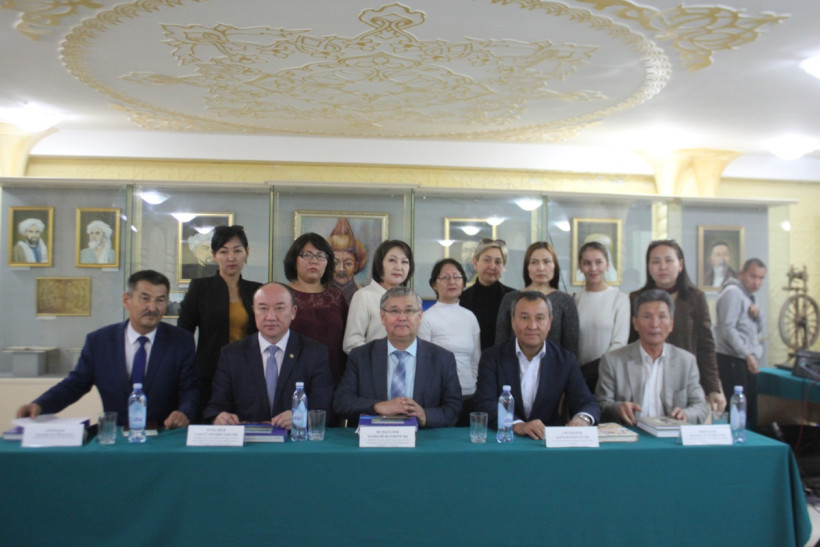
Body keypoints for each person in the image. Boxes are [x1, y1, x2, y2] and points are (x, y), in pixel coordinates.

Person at [16, 270, 200, 427]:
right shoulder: (100, 342)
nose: (152, 307)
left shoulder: (180, 341)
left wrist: (184, 412)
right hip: (115, 436)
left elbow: (190, 388)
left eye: (160, 300)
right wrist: (40, 405)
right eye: (145, 298)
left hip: (164, 435)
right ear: (126, 300)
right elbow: (75, 384)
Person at [204, 283, 334, 427]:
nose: (271, 317)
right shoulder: (232, 355)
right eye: (263, 308)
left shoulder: (314, 353)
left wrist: (301, 419)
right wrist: (219, 418)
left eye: (279, 308)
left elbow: (323, 410)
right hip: (248, 439)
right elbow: (216, 407)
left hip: (294, 438)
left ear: (293, 312)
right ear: (254, 311)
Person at [475, 291, 599, 439]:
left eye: (540, 318)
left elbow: (587, 402)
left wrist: (582, 419)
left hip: (546, 441)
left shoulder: (565, 360)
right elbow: (484, 402)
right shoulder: (492, 357)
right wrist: (518, 425)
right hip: (505, 439)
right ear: (512, 321)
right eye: (524, 318)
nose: (532, 326)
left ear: (550, 323)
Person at [334, 286, 462, 428]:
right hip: (374, 437)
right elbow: (341, 403)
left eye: (409, 311)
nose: (402, 318)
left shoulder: (442, 359)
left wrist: (424, 415)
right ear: (382, 317)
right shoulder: (361, 356)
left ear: (420, 316)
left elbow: (453, 409)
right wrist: (377, 406)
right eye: (394, 311)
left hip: (423, 438)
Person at [629, 239, 726, 412]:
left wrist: (713, 387)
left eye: (668, 260)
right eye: (656, 261)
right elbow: (630, 343)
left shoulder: (695, 298)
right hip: (645, 379)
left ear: (680, 265)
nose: (662, 267)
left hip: (685, 380)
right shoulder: (636, 298)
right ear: (648, 266)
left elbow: (706, 345)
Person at [177, 225, 262, 413]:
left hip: (249, 373)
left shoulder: (256, 290)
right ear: (214, 255)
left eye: (237, 251)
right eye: (224, 251)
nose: (231, 258)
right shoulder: (200, 288)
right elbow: (184, 332)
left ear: (247, 252)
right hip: (210, 373)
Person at [597, 289, 709, 425]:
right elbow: (601, 404)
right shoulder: (613, 361)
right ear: (635, 323)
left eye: (662, 317)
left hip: (671, 434)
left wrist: (686, 414)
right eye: (647, 316)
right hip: (631, 432)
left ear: (671, 324)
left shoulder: (686, 361)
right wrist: (618, 409)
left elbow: (700, 406)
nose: (655, 324)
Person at [418, 258, 481, 426]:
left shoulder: (470, 317)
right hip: (440, 398)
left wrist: (471, 383)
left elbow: (475, 359)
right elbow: (423, 363)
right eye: (445, 277)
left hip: (469, 394)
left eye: (457, 277)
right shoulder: (427, 318)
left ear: (463, 282)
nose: (452, 282)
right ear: (434, 284)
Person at [284, 233, 349, 384]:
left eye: (320, 256)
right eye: (307, 255)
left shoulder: (336, 296)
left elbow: (346, 339)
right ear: (294, 260)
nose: (314, 261)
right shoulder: (282, 295)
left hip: (332, 374)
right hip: (292, 375)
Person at [495, 242, 579, 357]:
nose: (541, 268)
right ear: (527, 267)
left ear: (554, 266)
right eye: (534, 262)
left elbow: (571, 349)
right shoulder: (510, 299)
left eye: (546, 262)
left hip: (554, 365)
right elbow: (500, 344)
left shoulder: (566, 301)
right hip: (513, 364)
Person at [714, 258, 767, 427]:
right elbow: (727, 330)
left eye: (761, 278)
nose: (756, 282)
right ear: (742, 274)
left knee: (747, 410)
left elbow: (755, 331)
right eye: (753, 276)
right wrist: (747, 354)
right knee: (735, 412)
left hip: (745, 358)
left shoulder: (750, 296)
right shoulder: (733, 292)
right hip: (732, 359)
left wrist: (758, 315)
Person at [574, 241, 630, 393]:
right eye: (587, 263)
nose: (593, 268)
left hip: (608, 376)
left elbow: (619, 343)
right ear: (580, 267)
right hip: (578, 377)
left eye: (598, 262)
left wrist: (596, 371)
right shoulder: (576, 299)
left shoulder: (620, 299)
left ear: (607, 264)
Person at [343, 239, 414, 353]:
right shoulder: (363, 296)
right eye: (392, 260)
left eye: (404, 262)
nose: (399, 267)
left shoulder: (412, 299)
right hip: (375, 362)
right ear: (379, 264)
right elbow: (351, 343)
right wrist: (382, 358)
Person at [459, 238, 515, 350]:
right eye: (487, 260)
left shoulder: (514, 297)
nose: (492, 266)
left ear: (503, 266)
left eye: (498, 262)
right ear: (475, 263)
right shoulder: (462, 299)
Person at [327, 218, 368, 304]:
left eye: (348, 263)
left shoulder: (365, 296)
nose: (341, 269)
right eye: (335, 263)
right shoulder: (318, 295)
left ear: (356, 265)